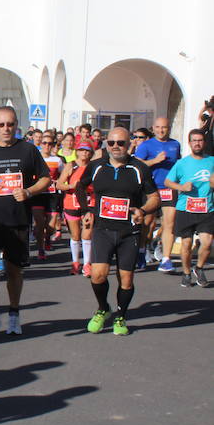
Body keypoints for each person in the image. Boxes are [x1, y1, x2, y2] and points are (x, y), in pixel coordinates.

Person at [0, 106, 50, 337]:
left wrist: (29, 192)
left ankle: (14, 314)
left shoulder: (28, 150)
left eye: (11, 124)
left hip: (18, 219)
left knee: (14, 271)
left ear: (17, 125)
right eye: (2, 125)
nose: (6, 129)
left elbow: (46, 178)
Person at [77, 127, 159, 336]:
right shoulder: (96, 166)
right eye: (111, 143)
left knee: (126, 279)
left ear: (129, 144)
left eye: (120, 143)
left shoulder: (139, 169)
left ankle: (121, 316)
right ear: (106, 144)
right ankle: (103, 308)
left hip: (128, 232)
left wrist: (142, 210)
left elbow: (155, 198)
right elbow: (80, 187)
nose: (115, 147)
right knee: (97, 275)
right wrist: (86, 210)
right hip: (102, 229)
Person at [164, 129, 214, 287]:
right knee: (186, 244)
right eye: (194, 140)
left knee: (207, 243)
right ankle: (186, 272)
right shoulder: (182, 163)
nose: (197, 143)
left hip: (207, 208)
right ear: (190, 142)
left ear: (204, 142)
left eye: (200, 140)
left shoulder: (212, 161)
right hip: (186, 209)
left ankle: (198, 268)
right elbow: (167, 182)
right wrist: (181, 187)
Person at [135, 116, 181, 272]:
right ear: (153, 128)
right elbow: (137, 165)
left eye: (165, 127)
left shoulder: (175, 144)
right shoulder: (146, 145)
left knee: (170, 223)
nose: (161, 130)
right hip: (150, 189)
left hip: (169, 189)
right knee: (147, 223)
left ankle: (166, 259)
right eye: (158, 127)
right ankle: (141, 251)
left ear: (169, 128)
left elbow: (177, 165)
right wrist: (154, 161)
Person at [57, 143, 96, 276]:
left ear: (91, 153)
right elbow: (59, 184)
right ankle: (75, 263)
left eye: (87, 151)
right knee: (75, 235)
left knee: (87, 235)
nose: (84, 153)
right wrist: (72, 186)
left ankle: (87, 264)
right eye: (81, 150)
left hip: (89, 203)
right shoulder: (71, 165)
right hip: (71, 203)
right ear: (77, 152)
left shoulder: (94, 166)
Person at [33, 133, 66, 261]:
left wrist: (60, 183)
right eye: (44, 143)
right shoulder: (34, 158)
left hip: (52, 195)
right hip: (37, 195)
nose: (47, 146)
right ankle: (41, 249)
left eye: (50, 143)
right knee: (40, 224)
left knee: (51, 225)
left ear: (53, 145)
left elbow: (63, 175)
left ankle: (47, 239)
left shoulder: (57, 160)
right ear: (40, 144)